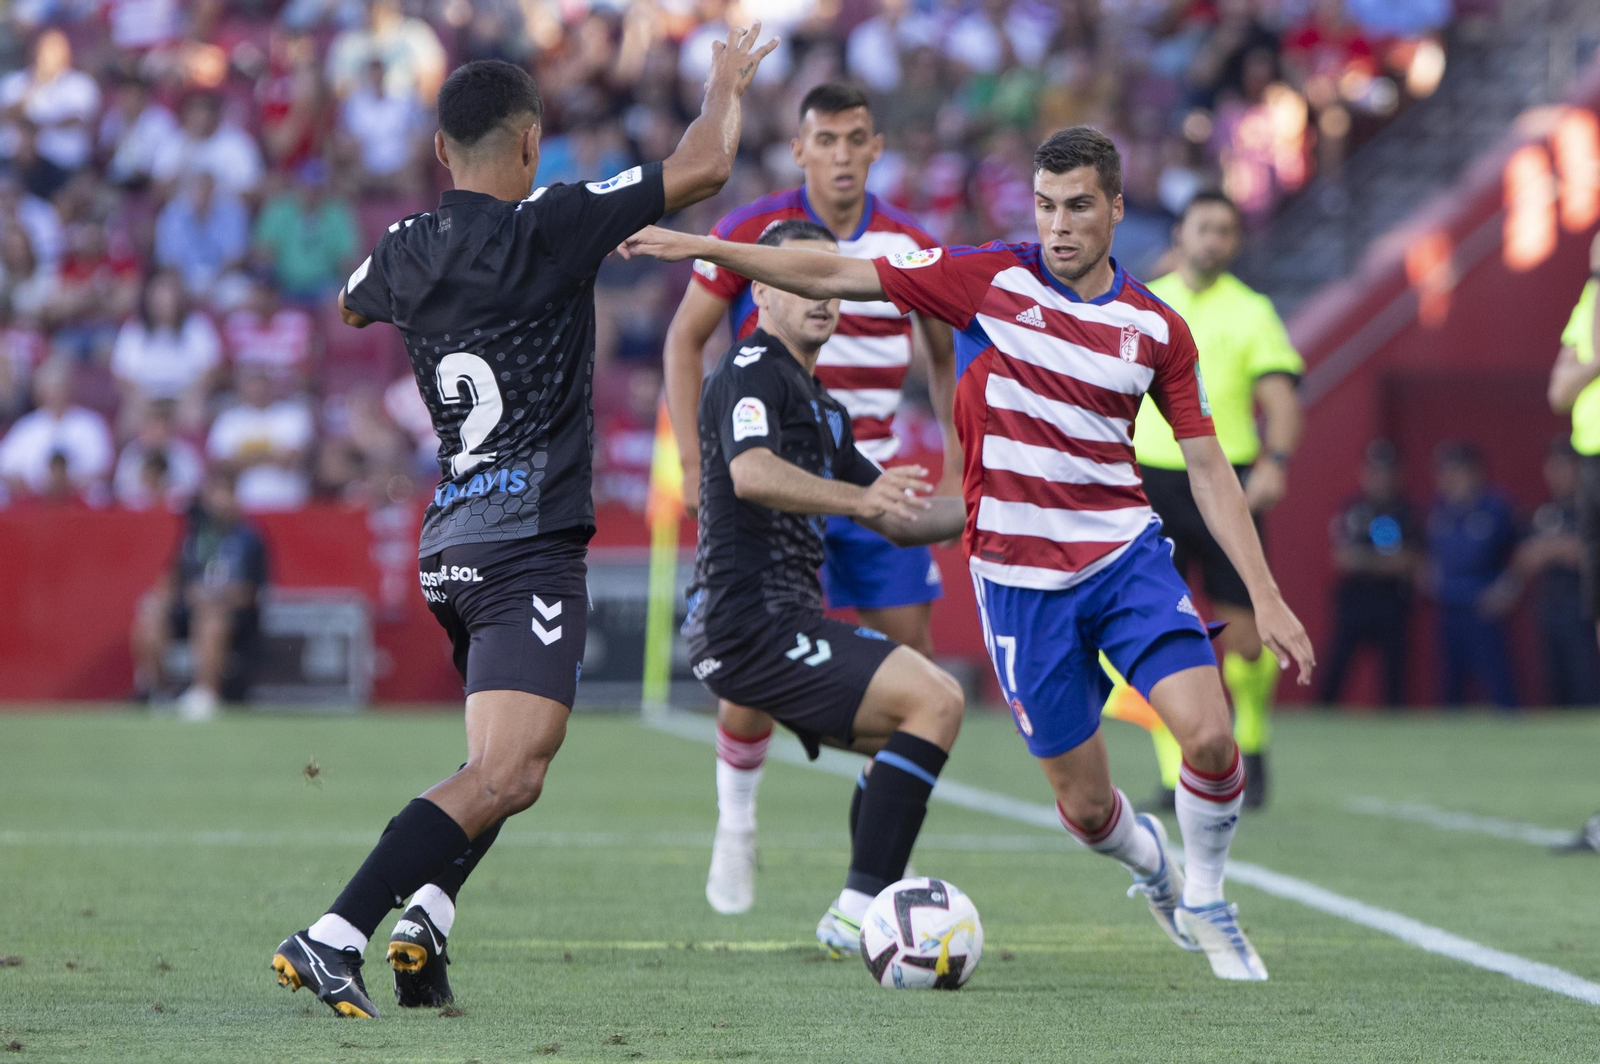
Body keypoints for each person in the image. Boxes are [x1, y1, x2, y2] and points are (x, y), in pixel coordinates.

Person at [622, 125, 1316, 982]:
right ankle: (1157, 871)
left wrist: (1267, 593)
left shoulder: (1156, 328)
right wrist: (701, 245)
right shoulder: (984, 279)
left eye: (1079, 208)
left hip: (1125, 553)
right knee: (1087, 804)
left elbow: (1208, 466)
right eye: (1047, 206)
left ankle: (1209, 895)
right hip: (1020, 584)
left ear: (1117, 211)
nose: (1060, 226)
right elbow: (837, 272)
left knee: (1210, 736)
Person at [269, 33, 777, 1019]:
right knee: (512, 764)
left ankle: (427, 920)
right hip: (525, 538)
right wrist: (722, 82)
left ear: (437, 150)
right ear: (531, 142)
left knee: (502, 767)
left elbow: (350, 302)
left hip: (450, 539)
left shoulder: (404, 249)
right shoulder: (554, 221)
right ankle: (335, 932)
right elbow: (708, 162)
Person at [661, 81, 961, 916]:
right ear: (799, 148)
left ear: (874, 148)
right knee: (775, 676)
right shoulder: (756, 268)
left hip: (858, 463)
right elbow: (691, 350)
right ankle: (740, 822)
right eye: (823, 139)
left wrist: (991, 494)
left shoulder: (909, 249)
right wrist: (693, 460)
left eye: (854, 139)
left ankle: (868, 883)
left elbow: (945, 362)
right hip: (788, 496)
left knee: (918, 685)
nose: (838, 153)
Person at [1120, 190, 1303, 811]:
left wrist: (1275, 463)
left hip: (1227, 478)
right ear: (1181, 235)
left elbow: (1280, 398)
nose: (1214, 240)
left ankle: (1250, 737)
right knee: (1156, 628)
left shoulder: (1253, 311)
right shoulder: (1143, 301)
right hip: (1149, 479)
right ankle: (1176, 773)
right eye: (1204, 228)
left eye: (1226, 229)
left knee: (1247, 639)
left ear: (1235, 241)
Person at [131, 469, 269, 720]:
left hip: (232, 617)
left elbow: (252, 593)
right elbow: (174, 577)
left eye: (224, 493)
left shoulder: (250, 537)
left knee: (210, 620)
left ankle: (205, 694)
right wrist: (161, 599)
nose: (219, 500)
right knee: (150, 619)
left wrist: (213, 597)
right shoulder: (194, 534)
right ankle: (160, 692)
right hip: (188, 608)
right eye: (214, 492)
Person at [1318, 440, 1421, 707]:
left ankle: (1395, 729)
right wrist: (1387, 563)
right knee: (1335, 667)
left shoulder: (1407, 512)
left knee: (1395, 676)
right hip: (1355, 598)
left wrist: (1366, 560)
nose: (1381, 479)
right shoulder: (1352, 509)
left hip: (1393, 601)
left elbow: (1412, 562)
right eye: (1375, 471)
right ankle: (1320, 718)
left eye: (1387, 472)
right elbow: (1343, 558)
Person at [1504, 440, 1600, 705]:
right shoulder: (1546, 512)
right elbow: (1524, 558)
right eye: (1552, 467)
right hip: (1550, 612)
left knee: (1586, 688)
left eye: (1563, 466)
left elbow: (1585, 552)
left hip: (1584, 613)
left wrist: (1552, 550)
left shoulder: (1589, 507)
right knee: (1556, 691)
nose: (1556, 474)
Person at [1426, 442, 1518, 708]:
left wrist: (1507, 589)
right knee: (1449, 689)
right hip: (1448, 609)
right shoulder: (1438, 511)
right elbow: (1427, 553)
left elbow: (1519, 556)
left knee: (1498, 684)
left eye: (1458, 472)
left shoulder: (1496, 508)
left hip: (1484, 610)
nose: (1450, 479)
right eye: (1445, 472)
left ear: (1476, 473)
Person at [0, 357, 112, 503]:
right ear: (40, 393)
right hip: (34, 502)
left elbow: (102, 467)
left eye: (59, 387)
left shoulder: (90, 423)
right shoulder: (26, 427)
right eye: (49, 388)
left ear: (69, 389)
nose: (55, 394)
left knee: (99, 493)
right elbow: (5, 468)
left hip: (78, 499)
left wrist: (67, 484)